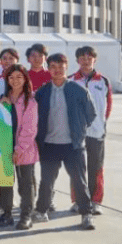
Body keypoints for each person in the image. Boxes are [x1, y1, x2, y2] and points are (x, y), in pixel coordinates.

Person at [33, 53, 97, 231]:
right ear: (48, 68)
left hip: (73, 146)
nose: (57, 70)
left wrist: (79, 130)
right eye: (53, 66)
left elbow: (90, 114)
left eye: (60, 66)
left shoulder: (78, 90)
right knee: (46, 181)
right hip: (50, 144)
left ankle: (86, 214)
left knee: (79, 181)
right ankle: (41, 211)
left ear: (66, 67)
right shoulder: (43, 92)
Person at [0, 64, 38, 229]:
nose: (15, 81)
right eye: (11, 77)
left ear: (25, 79)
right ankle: (6, 214)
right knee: (6, 182)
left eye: (19, 77)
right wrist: (1, 106)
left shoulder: (30, 100)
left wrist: (19, 149)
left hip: (24, 149)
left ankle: (26, 215)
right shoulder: (3, 98)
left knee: (26, 184)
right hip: (5, 147)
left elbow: (29, 129)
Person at [70, 46, 111, 215]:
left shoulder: (103, 81)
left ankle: (95, 201)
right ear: (77, 60)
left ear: (94, 60)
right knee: (77, 168)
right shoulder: (71, 80)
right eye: (82, 58)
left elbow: (108, 106)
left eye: (89, 58)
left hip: (96, 133)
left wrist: (101, 124)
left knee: (96, 168)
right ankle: (78, 201)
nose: (86, 61)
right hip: (76, 133)